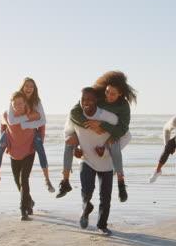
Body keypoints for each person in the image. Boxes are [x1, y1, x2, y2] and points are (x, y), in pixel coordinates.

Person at [56, 71, 136, 202]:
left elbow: (122, 130)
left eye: (113, 94)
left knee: (114, 143)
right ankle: (65, 182)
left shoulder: (123, 106)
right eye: (107, 92)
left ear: (120, 94)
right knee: (69, 142)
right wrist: (88, 125)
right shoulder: (97, 96)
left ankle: (121, 182)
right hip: (92, 134)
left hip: (112, 131)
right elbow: (74, 112)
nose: (108, 96)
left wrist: (102, 125)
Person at [64, 87, 129, 235]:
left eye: (89, 100)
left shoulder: (109, 117)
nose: (85, 103)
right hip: (86, 159)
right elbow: (68, 133)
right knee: (86, 190)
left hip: (106, 162)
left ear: (96, 100)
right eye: (83, 100)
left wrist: (106, 151)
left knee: (105, 197)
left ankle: (102, 225)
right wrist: (74, 148)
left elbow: (126, 136)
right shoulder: (76, 115)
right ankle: (85, 208)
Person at [0, 77, 55, 193]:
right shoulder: (16, 98)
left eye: (31, 86)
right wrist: (27, 118)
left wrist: (26, 125)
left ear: (34, 89)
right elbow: (11, 121)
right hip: (12, 130)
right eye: (26, 86)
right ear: (22, 87)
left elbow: (43, 121)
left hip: (30, 131)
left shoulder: (36, 102)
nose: (29, 88)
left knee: (40, 148)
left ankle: (47, 179)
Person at [1, 91, 41, 221]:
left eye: (20, 103)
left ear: (25, 103)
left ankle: (23, 209)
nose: (17, 106)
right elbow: (2, 126)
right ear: (11, 104)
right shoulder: (7, 115)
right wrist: (4, 141)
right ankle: (29, 201)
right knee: (17, 180)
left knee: (24, 178)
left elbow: (41, 124)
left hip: (29, 150)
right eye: (15, 103)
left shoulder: (32, 114)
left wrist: (40, 142)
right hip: (14, 151)